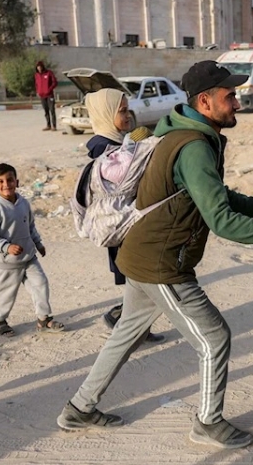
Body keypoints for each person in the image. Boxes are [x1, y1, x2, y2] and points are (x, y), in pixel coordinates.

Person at [56, 60, 253, 449]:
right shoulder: (194, 146)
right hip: (161, 265)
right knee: (214, 338)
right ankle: (208, 422)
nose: (236, 102)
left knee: (125, 336)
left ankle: (79, 408)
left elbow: (214, 195)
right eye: (229, 96)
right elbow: (221, 220)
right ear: (205, 101)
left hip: (142, 255)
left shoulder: (192, 134)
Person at [84, 88, 164, 344]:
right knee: (139, 278)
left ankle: (134, 326)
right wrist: (140, 148)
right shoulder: (101, 146)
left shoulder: (118, 140)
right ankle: (121, 320)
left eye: (128, 109)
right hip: (120, 224)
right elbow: (122, 178)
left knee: (138, 280)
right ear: (106, 114)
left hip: (130, 220)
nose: (127, 115)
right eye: (121, 111)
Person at [0, 163, 65, 337]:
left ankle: (44, 319)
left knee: (40, 284)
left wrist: (38, 243)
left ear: (17, 182)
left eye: (10, 180)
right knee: (6, 292)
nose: (6, 184)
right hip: (8, 262)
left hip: (29, 257)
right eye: (1, 181)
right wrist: (7, 247)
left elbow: (30, 227)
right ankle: (0, 321)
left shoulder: (24, 204)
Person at [34, 61, 58, 131]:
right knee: (46, 111)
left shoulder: (49, 73)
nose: (39, 68)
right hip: (42, 96)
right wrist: (38, 91)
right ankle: (48, 125)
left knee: (52, 110)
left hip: (49, 95)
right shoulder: (36, 75)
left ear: (42, 67)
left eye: (40, 67)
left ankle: (54, 126)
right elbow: (36, 84)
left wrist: (49, 89)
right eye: (38, 67)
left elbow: (55, 82)